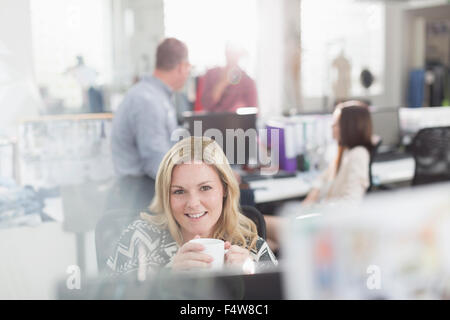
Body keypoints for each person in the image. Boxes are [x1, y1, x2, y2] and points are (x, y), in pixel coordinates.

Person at [107, 136, 277, 275]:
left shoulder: (251, 247)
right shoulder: (139, 239)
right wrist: (169, 280)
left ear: (224, 189)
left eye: (205, 188)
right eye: (179, 191)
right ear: (167, 196)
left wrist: (250, 282)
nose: (193, 203)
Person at [265, 100, 374, 252]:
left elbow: (350, 204)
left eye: (336, 123)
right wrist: (311, 198)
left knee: (257, 222)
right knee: (265, 244)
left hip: (326, 227)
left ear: (348, 127)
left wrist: (315, 210)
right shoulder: (343, 152)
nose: (332, 127)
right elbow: (322, 179)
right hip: (317, 221)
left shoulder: (358, 155)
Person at [109, 38, 191, 213]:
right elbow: (155, 160)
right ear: (182, 67)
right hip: (139, 193)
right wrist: (193, 180)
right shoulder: (148, 101)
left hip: (143, 188)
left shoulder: (155, 96)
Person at [200, 42, 258, 112]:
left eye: (234, 53)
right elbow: (206, 105)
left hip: (237, 122)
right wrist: (222, 83)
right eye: (229, 52)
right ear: (225, 53)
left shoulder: (248, 81)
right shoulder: (211, 74)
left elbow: (253, 113)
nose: (232, 55)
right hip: (213, 121)